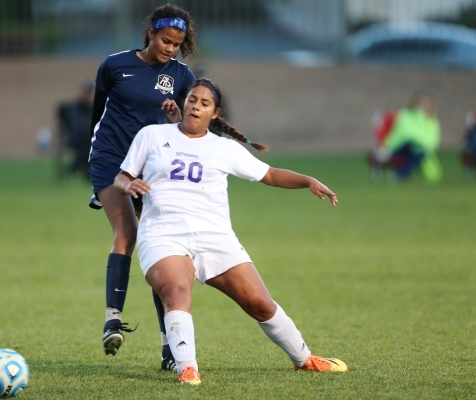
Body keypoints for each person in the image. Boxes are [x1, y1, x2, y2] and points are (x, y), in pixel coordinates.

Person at [114, 78, 348, 385]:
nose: (196, 106)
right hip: (162, 234)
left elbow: (270, 174)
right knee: (176, 292)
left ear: (215, 112)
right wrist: (129, 184)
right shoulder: (153, 135)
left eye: (204, 103)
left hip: (215, 237)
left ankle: (305, 360)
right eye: (192, 99)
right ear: (184, 103)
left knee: (260, 304)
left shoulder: (223, 148)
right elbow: (121, 177)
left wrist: (308, 180)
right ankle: (187, 368)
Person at [87, 4, 197, 370]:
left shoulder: (181, 76)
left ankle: (169, 348)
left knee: (156, 248)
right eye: (166, 41)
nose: (170, 49)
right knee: (127, 233)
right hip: (109, 160)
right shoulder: (114, 65)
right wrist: (100, 165)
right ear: (151, 32)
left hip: (149, 167)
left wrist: (176, 119)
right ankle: (111, 319)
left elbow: (187, 133)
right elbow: (98, 116)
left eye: (177, 45)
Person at [375, 93, 442, 183]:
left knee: (421, 152)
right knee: (410, 143)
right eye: (420, 103)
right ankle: (384, 158)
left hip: (421, 148)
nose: (423, 106)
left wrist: (419, 140)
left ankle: (399, 174)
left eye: (425, 104)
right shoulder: (406, 115)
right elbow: (403, 132)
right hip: (402, 146)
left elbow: (433, 139)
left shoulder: (431, 120)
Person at [57, 81, 95, 181]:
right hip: (77, 140)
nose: (90, 96)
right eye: (89, 94)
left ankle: (77, 167)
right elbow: (62, 113)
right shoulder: (75, 108)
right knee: (87, 147)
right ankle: (85, 171)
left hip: (92, 140)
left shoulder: (100, 108)